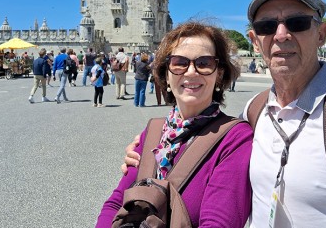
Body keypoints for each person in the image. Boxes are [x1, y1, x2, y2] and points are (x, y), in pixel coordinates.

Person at [124, 0, 326, 228]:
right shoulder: (254, 113)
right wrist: (147, 152)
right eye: (268, 26)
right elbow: (209, 152)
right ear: (255, 40)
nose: (281, 35)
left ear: (321, 34)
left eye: (296, 22)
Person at [95, 22, 252, 227]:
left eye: (204, 63)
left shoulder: (235, 138)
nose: (191, 72)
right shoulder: (152, 132)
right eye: (179, 63)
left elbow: (218, 222)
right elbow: (116, 202)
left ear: (219, 75)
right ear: (167, 75)